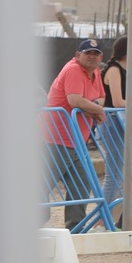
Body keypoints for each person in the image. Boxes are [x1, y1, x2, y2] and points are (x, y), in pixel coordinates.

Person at [44, 38, 106, 230]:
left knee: (81, 187)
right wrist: (96, 109)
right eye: (88, 53)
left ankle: (75, 232)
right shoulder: (73, 69)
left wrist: (93, 107)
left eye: (95, 54)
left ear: (101, 57)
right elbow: (74, 100)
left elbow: (101, 97)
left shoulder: (95, 71)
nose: (92, 57)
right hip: (54, 140)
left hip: (75, 141)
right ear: (78, 55)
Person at [100, 36, 126, 228]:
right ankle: (102, 220)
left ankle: (114, 220)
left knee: (122, 176)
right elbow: (118, 102)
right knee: (114, 175)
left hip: (123, 124)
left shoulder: (125, 69)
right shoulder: (115, 69)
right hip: (113, 123)